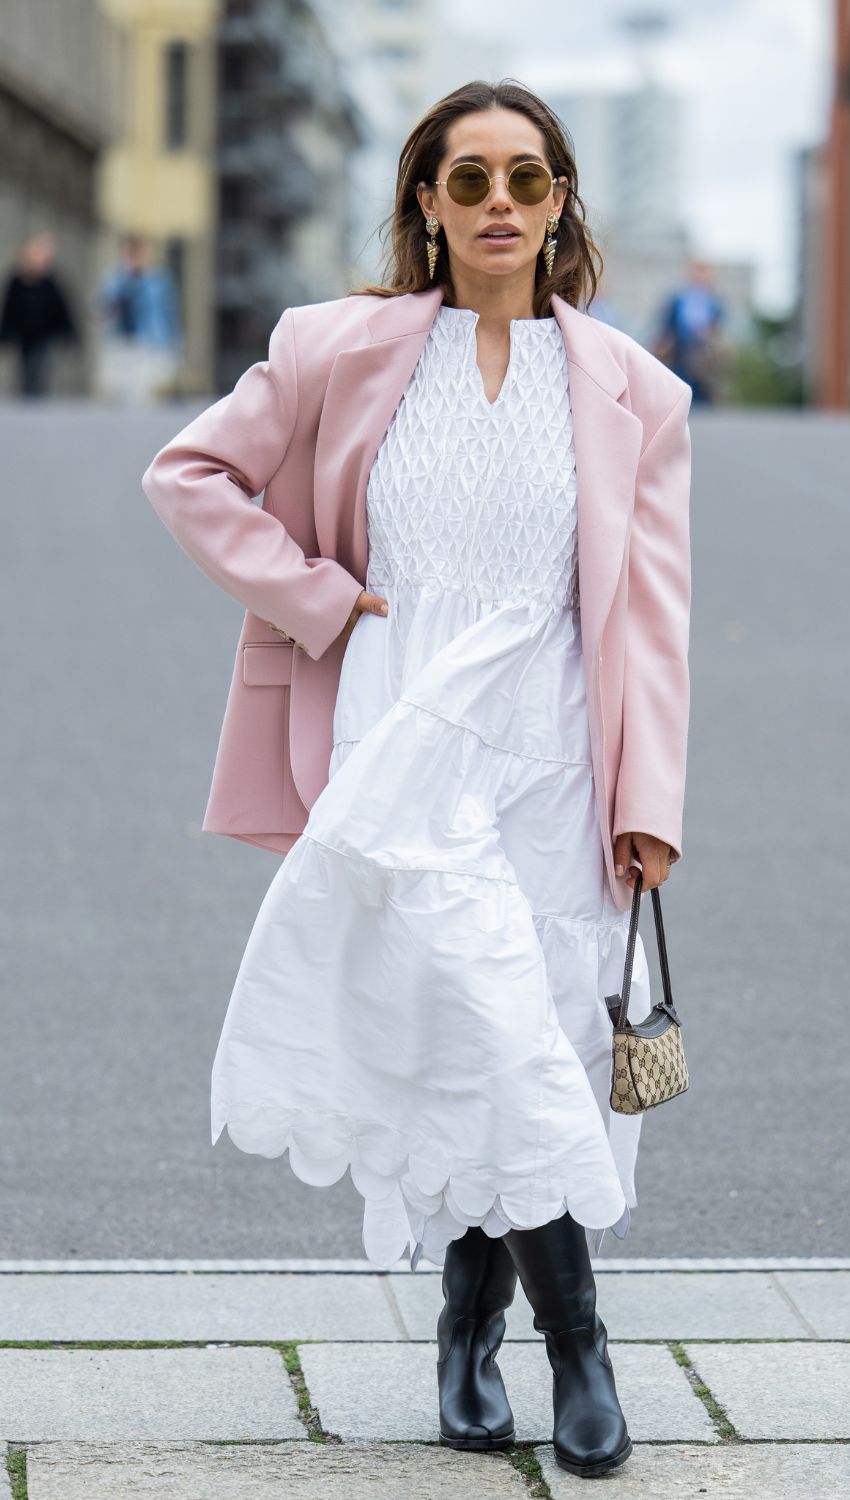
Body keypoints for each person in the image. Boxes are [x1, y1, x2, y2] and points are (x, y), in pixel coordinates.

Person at [141, 79, 693, 1479]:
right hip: (399, 725)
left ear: (562, 200)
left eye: (526, 178)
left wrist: (650, 805)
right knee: (469, 1016)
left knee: (525, 1034)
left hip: (557, 740)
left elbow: (651, 617)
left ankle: (465, 1332)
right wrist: (317, 599)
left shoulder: (637, 389)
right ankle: (578, 1346)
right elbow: (192, 473)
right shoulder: (335, 349)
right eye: (469, 181)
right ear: (428, 206)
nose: (498, 203)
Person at [94, 234, 183, 404]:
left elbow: (169, 314)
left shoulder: (159, 281)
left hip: (149, 343)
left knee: (145, 395)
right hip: (121, 342)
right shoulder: (115, 280)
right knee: (116, 392)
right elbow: (102, 307)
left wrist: (175, 344)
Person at [0, 231, 79, 398]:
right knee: (25, 372)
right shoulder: (16, 282)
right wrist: (5, 334)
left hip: (44, 338)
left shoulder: (51, 284)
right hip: (24, 338)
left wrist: (68, 333)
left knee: (40, 369)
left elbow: (62, 311)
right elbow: (9, 310)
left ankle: (37, 398)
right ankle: (27, 397)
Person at [655, 258, 725, 404]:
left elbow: (717, 328)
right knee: (680, 393)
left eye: (703, 271)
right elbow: (667, 325)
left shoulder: (714, 302)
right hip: (680, 353)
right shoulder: (678, 299)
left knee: (702, 396)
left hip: (704, 357)